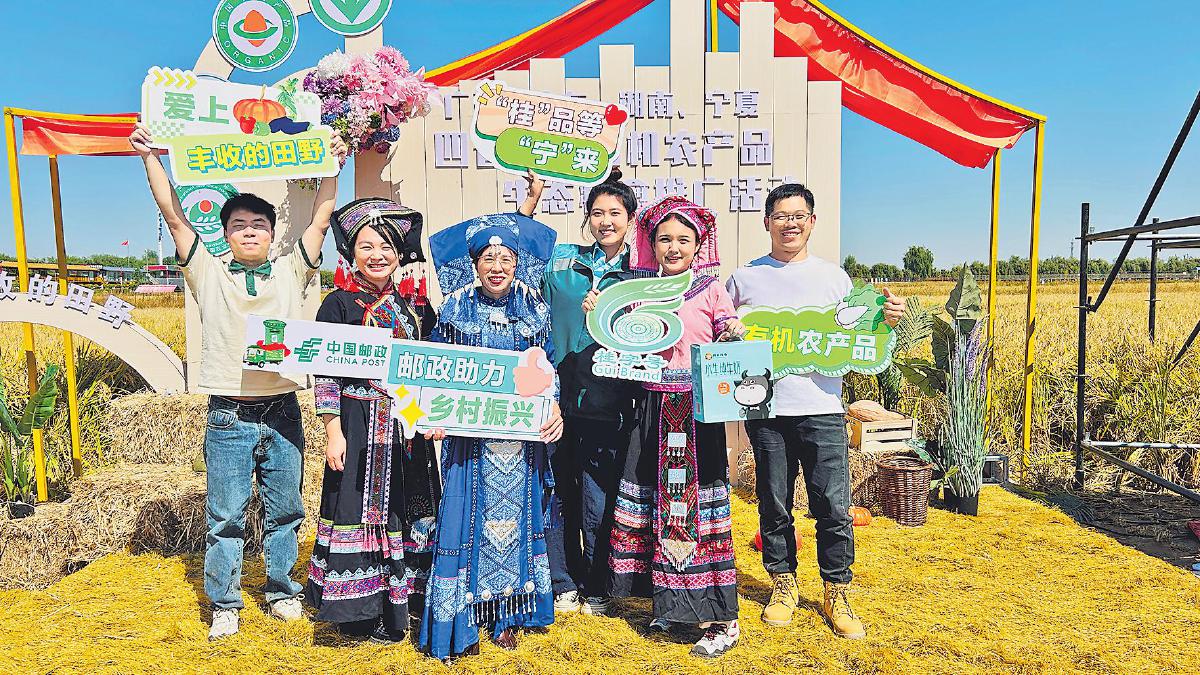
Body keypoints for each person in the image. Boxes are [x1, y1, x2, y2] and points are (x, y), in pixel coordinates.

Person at [128, 123, 349, 640]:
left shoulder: (292, 271)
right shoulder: (207, 271)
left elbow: (321, 219)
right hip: (229, 414)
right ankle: (225, 603)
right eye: (239, 225)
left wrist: (332, 168)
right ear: (225, 234)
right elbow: (173, 216)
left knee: (286, 510)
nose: (249, 231)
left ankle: (281, 590)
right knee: (225, 516)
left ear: (272, 234)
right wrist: (150, 157)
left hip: (283, 409)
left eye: (259, 224)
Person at [725, 183, 905, 639]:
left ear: (812, 221)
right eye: (781, 216)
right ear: (766, 222)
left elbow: (860, 332)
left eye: (798, 215)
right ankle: (783, 584)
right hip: (765, 409)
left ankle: (836, 591)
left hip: (823, 408)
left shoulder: (835, 279)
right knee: (774, 502)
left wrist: (887, 319)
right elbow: (721, 330)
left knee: (832, 505)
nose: (790, 224)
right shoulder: (744, 279)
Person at [601, 195, 744, 658]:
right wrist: (599, 312)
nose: (674, 247)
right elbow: (618, 338)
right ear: (652, 243)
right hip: (651, 407)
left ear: (699, 244)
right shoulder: (639, 291)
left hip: (697, 412)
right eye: (665, 239)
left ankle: (721, 618)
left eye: (684, 239)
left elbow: (727, 329)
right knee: (656, 505)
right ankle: (669, 604)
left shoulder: (711, 289)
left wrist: (731, 334)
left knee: (698, 510)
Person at [418, 212, 565, 660]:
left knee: (516, 524)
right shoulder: (454, 312)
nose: (497, 267)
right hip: (469, 444)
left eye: (506, 259)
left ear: (518, 264)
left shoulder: (535, 311)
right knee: (463, 519)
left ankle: (506, 614)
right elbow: (436, 371)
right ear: (474, 264)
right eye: (488, 258)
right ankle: (459, 619)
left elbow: (548, 369)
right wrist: (431, 414)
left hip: (520, 444)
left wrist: (554, 407)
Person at [305, 199, 441, 643]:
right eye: (366, 246)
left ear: (400, 253)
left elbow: (433, 369)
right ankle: (359, 609)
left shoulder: (417, 309)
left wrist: (434, 415)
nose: (377, 255)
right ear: (351, 253)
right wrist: (333, 430)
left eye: (386, 247)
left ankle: (405, 602)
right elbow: (324, 370)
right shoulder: (337, 304)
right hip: (358, 421)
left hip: (407, 424)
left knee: (410, 506)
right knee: (356, 507)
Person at [521, 168, 644, 616]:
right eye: (597, 212)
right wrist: (532, 199)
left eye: (615, 213)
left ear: (631, 219)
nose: (605, 221)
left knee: (599, 497)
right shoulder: (563, 262)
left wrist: (613, 311)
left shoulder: (640, 276)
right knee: (556, 492)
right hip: (554, 400)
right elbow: (518, 253)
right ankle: (562, 580)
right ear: (587, 217)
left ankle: (598, 583)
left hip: (611, 403)